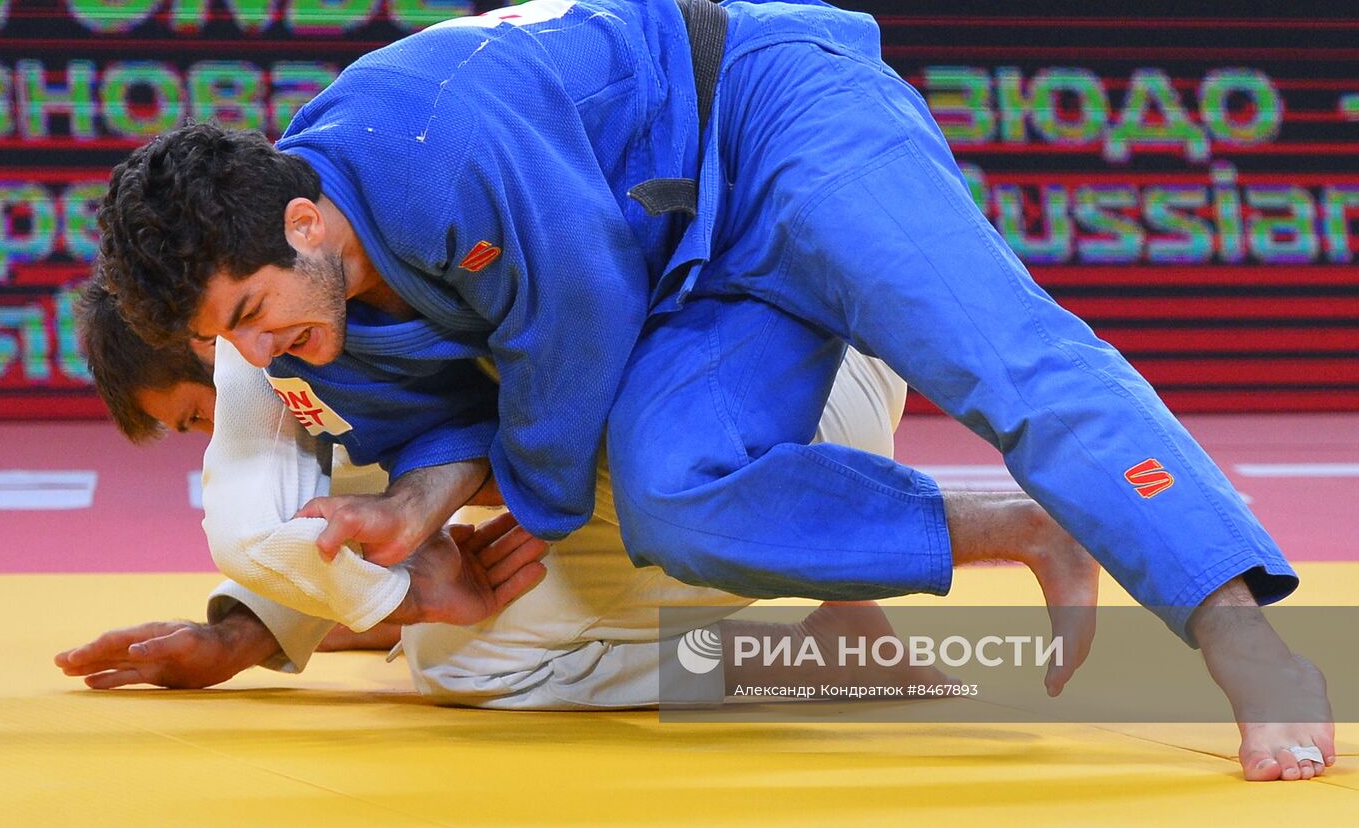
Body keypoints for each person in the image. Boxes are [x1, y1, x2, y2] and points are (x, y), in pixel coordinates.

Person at [96, 0, 1333, 779]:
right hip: (694, 279)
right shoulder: (320, 318)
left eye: (252, 315)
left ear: (306, 222)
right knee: (672, 500)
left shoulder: (429, 137)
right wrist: (412, 508)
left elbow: (575, 311)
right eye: (228, 345)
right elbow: (451, 417)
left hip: (770, 116)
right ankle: (1023, 524)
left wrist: (515, 510)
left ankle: (1238, 630)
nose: (256, 359)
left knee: (996, 353)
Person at [61, 285, 989, 705]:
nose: (210, 444)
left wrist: (413, 593)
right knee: (431, 577)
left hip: (752, 418)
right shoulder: (326, 282)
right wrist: (240, 635)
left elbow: (418, 488)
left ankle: (804, 647)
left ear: (207, 340)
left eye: (192, 419)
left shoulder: (296, 353)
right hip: (823, 348)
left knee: (462, 660)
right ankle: (827, 575)